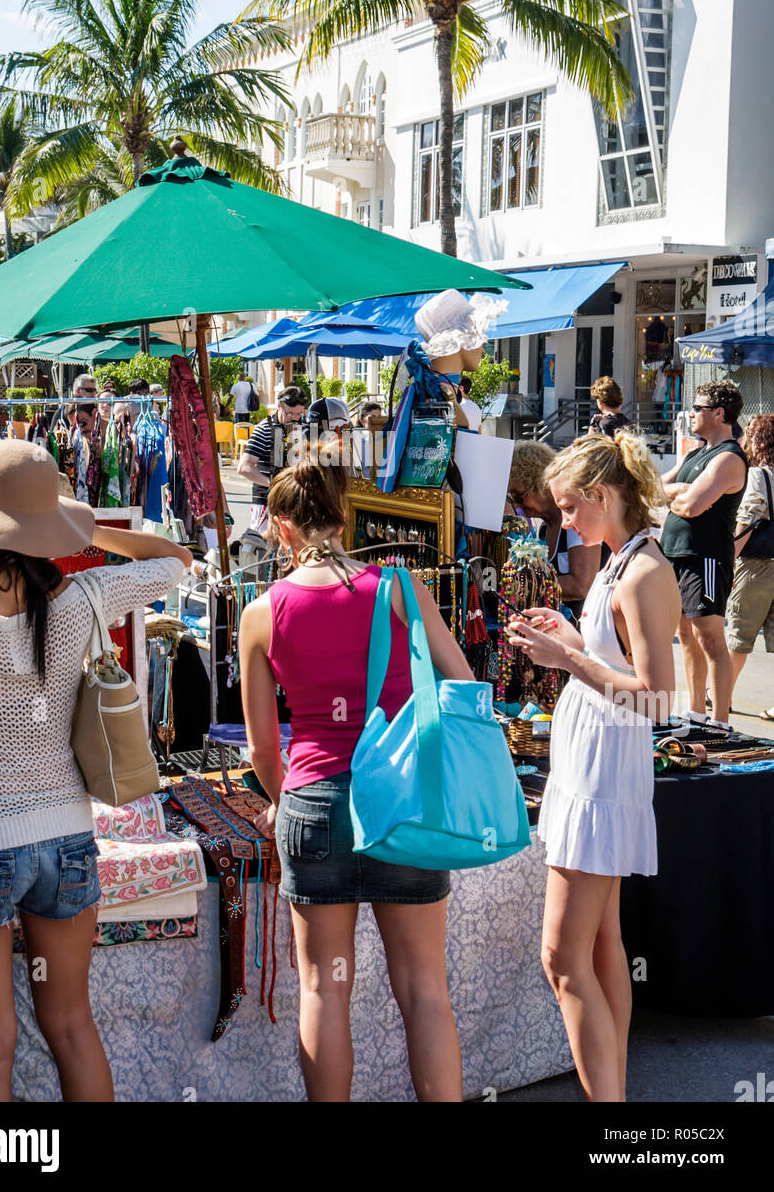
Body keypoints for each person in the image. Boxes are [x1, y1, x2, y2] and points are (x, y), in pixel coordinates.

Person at [0, 439, 191, 1102]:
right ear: (44, 530)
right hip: (64, 841)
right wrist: (89, 531)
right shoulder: (85, 597)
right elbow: (176, 561)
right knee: (69, 1024)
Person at [239, 437, 471, 1102]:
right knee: (425, 985)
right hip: (400, 799)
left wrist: (285, 795)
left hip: (313, 801)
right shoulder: (400, 588)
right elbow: (459, 679)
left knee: (324, 988)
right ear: (345, 519)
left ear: (283, 527)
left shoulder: (262, 612)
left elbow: (261, 750)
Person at [506, 432, 680, 1102]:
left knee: (563, 956)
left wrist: (569, 660)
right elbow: (621, 666)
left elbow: (658, 699)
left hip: (602, 778)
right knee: (602, 944)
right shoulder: (621, 563)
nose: (565, 521)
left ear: (606, 496)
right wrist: (576, 640)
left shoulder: (641, 570)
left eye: (571, 508)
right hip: (593, 772)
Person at [659, 380, 747, 730]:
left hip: (705, 555)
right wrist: (679, 491)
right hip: (676, 553)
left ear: (718, 413)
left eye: (697, 408)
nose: (691, 413)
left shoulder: (728, 457)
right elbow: (655, 489)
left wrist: (680, 494)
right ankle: (695, 712)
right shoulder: (695, 454)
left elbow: (693, 506)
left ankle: (719, 721)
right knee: (685, 634)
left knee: (709, 635)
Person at [509, 441, 601, 620]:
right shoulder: (544, 528)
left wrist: (526, 583)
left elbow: (581, 585)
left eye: (519, 495)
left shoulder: (575, 523)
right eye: (512, 498)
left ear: (539, 484)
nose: (516, 504)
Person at [725, 412, 774, 720]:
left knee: (740, 635)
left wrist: (728, 562)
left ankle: (721, 695)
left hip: (757, 566)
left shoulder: (760, 475)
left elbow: (747, 521)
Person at [237, 385, 308, 536]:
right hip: (266, 501)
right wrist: (275, 483)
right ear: (279, 407)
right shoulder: (264, 428)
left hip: (295, 502)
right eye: (290, 414)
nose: (295, 418)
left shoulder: (304, 426)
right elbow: (244, 467)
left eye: (299, 414)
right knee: (264, 547)